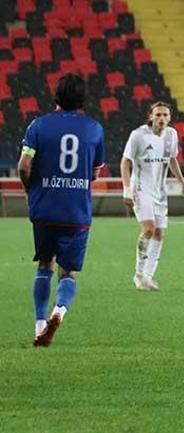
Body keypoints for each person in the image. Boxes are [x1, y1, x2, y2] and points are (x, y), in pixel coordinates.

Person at [17, 73, 105, 347]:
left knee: (45, 265)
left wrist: (32, 190)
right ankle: (59, 311)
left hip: (44, 207)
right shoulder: (94, 129)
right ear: (82, 98)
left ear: (56, 95)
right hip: (77, 211)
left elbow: (23, 165)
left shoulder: (38, 125)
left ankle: (39, 325)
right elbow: (94, 171)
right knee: (68, 273)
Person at [121, 102, 184, 291]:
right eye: (158, 115)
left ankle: (148, 277)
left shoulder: (171, 135)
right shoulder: (139, 135)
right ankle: (138, 275)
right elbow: (125, 161)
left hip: (160, 191)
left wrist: (182, 184)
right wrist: (126, 189)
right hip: (141, 189)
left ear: (169, 117)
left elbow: (172, 160)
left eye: (165, 115)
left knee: (160, 234)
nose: (162, 118)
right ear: (150, 116)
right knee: (149, 229)